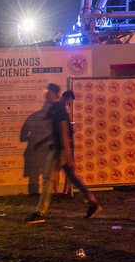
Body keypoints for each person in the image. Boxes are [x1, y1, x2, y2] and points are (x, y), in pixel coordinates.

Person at [25, 83, 100, 223]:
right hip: (62, 149)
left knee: (47, 179)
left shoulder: (58, 108)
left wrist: (69, 155)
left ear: (54, 93)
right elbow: (56, 131)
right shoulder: (55, 108)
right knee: (73, 177)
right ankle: (92, 202)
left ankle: (40, 213)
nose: (45, 95)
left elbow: (64, 131)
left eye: (47, 93)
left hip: (60, 150)